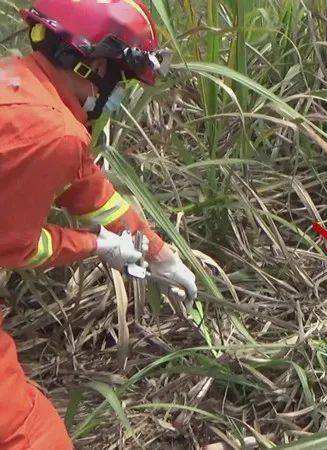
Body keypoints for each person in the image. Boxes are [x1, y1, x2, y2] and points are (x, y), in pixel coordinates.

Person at [0, 1, 197, 448]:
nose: (118, 92)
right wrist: (95, 247)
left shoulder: (22, 83)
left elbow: (85, 186)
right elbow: (17, 247)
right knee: (31, 436)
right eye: (121, 79)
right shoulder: (51, 131)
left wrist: (158, 254)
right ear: (93, 66)